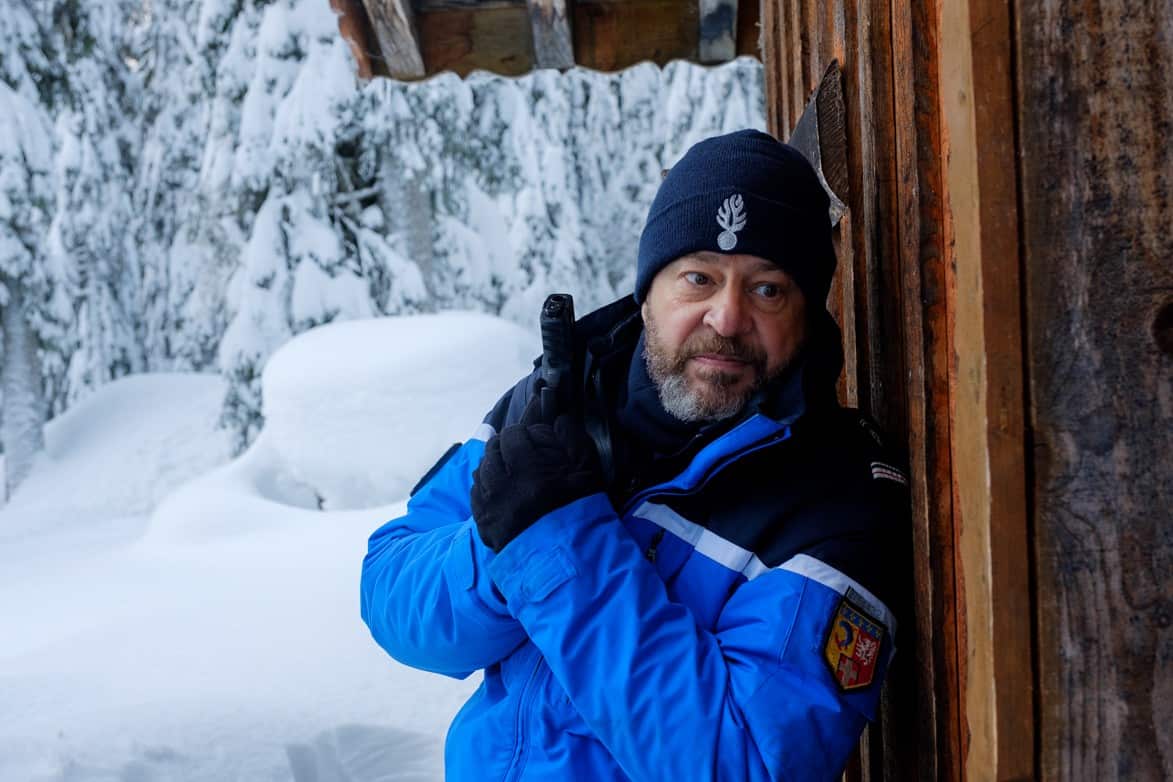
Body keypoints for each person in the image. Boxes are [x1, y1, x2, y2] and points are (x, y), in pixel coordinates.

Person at [360, 129, 909, 781]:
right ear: (648, 292)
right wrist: (497, 541)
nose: (726, 317)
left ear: (807, 316)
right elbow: (391, 593)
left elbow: (743, 765)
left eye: (767, 289)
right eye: (697, 278)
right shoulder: (555, 404)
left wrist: (556, 539)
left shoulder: (837, 502)